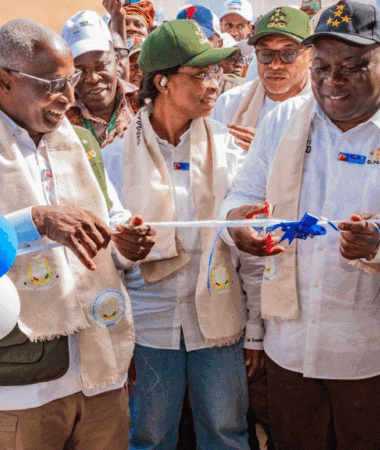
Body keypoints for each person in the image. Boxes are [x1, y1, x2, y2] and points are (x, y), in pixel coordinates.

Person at [220, 3, 380, 449]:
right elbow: (241, 196)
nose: (333, 81)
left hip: (376, 358)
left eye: (352, 68)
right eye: (321, 67)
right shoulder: (282, 121)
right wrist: (236, 225)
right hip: (290, 351)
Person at [0, 18, 155, 450]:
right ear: (5, 80)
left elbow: (109, 223)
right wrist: (34, 221)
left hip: (99, 372)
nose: (69, 97)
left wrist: (126, 245)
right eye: (53, 84)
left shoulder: (80, 142)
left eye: (70, 82)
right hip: (14, 386)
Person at [103, 19, 251, 450]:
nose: (214, 84)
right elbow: (105, 259)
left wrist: (257, 329)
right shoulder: (115, 157)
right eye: (200, 74)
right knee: (149, 438)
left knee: (226, 434)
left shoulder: (229, 149)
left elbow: (248, 247)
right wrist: (125, 251)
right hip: (149, 326)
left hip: (219, 319)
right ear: (162, 81)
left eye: (215, 72)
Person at [213, 7, 312, 150]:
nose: (275, 65)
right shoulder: (230, 104)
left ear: (311, 56)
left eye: (288, 54)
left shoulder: (328, 111)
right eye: (266, 53)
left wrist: (267, 152)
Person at [63, 10, 140, 147]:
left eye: (101, 66)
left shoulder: (144, 104)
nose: (92, 78)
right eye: (80, 70)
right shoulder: (59, 117)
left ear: (117, 61)